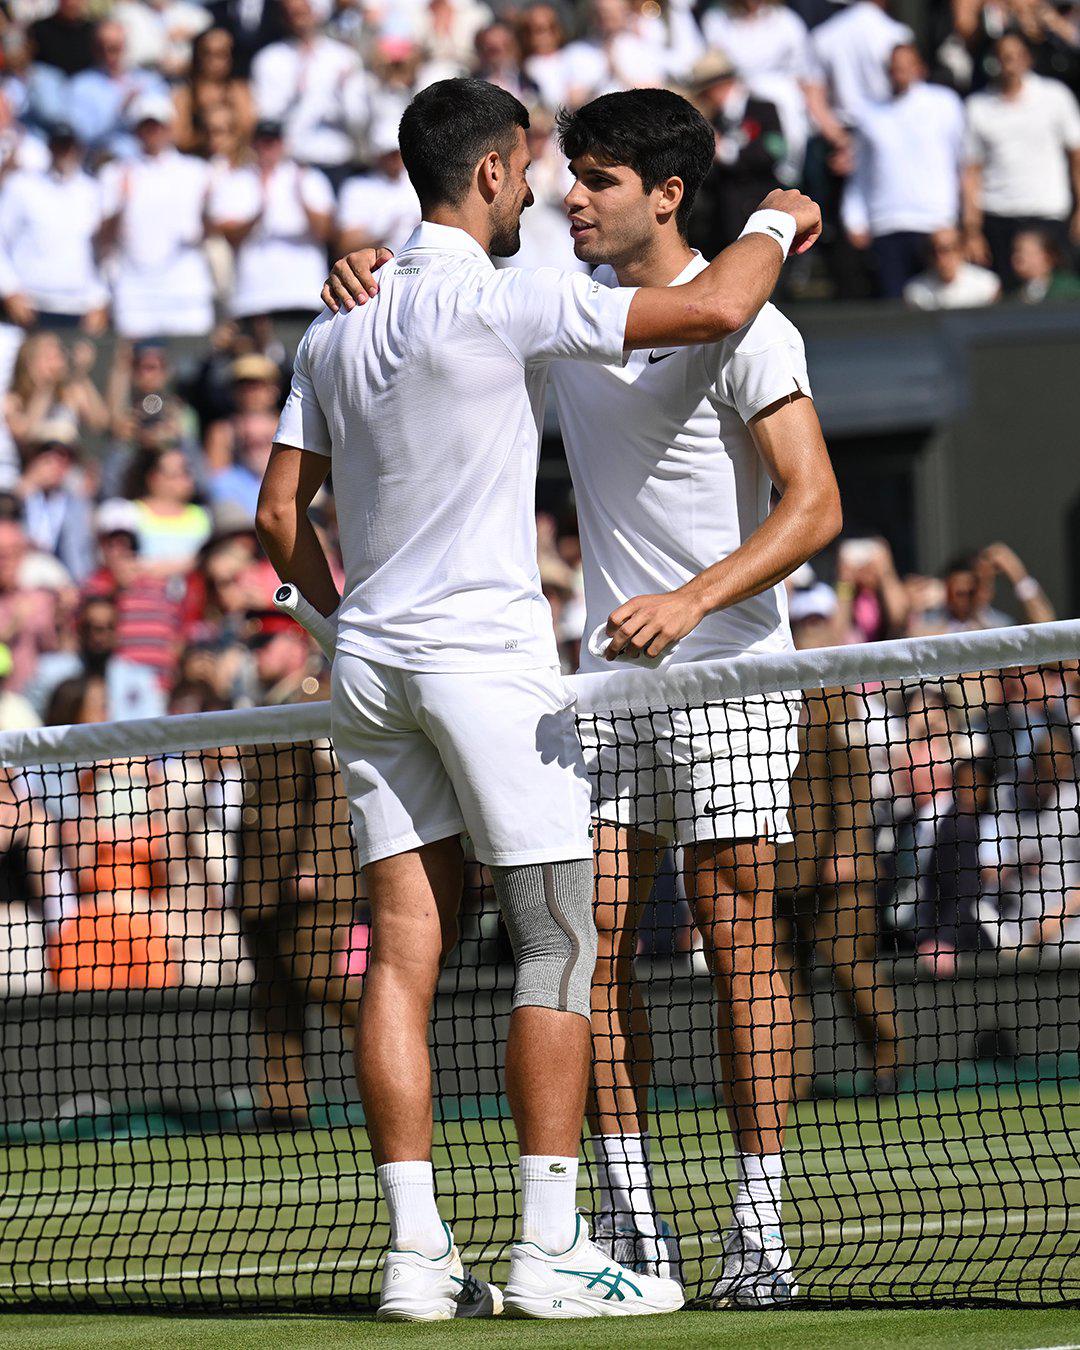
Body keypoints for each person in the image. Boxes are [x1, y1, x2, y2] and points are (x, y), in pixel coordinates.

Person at [277, 76, 820, 1321]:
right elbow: (722, 291)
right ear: (490, 176)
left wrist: (334, 617)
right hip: (532, 675)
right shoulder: (537, 301)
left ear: (665, 193)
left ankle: (439, 1255)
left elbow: (274, 519)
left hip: (444, 669)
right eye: (541, 168)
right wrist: (787, 220)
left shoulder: (352, 323)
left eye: (593, 177)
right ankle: (567, 1236)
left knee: (419, 955)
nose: (557, 190)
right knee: (570, 940)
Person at [842, 44, 967, 299]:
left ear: (919, 68)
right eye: (894, 67)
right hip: (887, 223)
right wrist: (854, 216)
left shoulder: (945, 104)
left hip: (936, 220)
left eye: (905, 66)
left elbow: (961, 160)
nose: (899, 72)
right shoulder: (871, 116)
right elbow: (862, 171)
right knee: (895, 304)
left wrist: (961, 215)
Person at [963, 31, 1080, 288]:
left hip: (1047, 212)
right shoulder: (977, 107)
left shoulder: (1055, 97)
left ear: (1028, 59)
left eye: (1016, 56)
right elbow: (971, 172)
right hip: (998, 215)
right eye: (1004, 57)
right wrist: (972, 230)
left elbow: (1076, 158)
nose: (1010, 64)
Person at [98, 94, 215, 339]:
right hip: (135, 290)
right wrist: (121, 203)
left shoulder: (197, 172)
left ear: (170, 127)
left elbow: (210, 228)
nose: (153, 132)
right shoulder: (115, 173)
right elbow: (104, 236)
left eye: (158, 125)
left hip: (185, 286)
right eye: (146, 126)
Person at [209, 119, 335, 322]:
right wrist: (259, 212)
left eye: (273, 142)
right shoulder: (236, 181)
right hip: (254, 296)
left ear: (283, 144)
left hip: (303, 293)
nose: (267, 148)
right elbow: (228, 234)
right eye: (262, 142)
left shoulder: (308, 177)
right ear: (253, 145)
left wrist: (301, 198)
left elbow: (326, 232)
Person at [0, 121, 109, 333]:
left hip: (78, 308)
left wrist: (100, 297)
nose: (64, 152)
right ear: (49, 147)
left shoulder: (92, 192)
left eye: (69, 146)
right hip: (28, 306)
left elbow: (102, 252)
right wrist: (8, 288)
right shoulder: (23, 186)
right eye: (58, 145)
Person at [903, 226, 1002, 310]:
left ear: (960, 251)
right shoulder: (916, 292)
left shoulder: (987, 284)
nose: (941, 258)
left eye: (946, 250)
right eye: (934, 252)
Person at [1011, 227, 1080, 302]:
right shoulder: (1017, 293)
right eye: (1016, 252)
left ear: (1047, 255)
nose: (1017, 257)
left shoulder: (1069, 288)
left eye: (1023, 252)